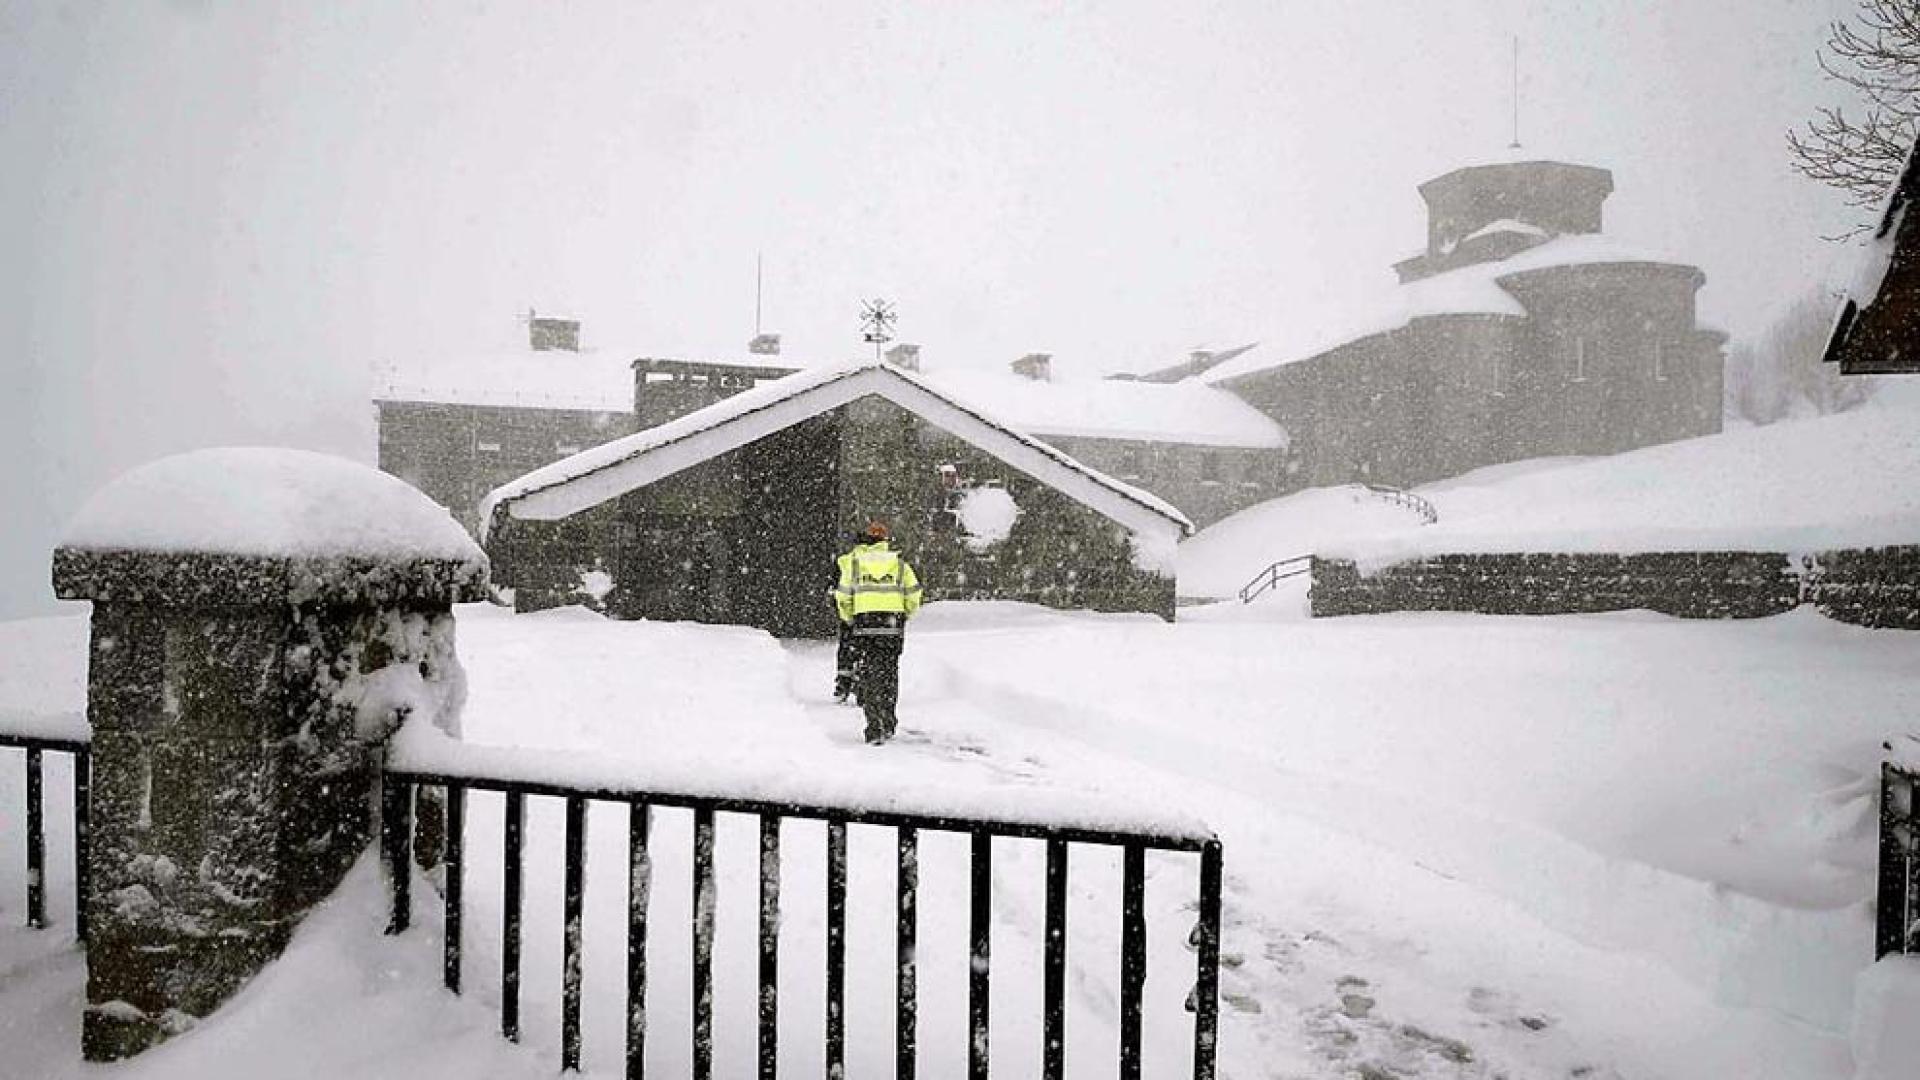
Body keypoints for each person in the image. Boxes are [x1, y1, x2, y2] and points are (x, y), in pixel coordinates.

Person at [833, 520, 923, 744]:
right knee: (889, 673)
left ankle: (874, 725)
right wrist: (903, 615)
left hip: (864, 624)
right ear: (884, 543)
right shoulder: (900, 566)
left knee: (869, 672)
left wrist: (849, 618)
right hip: (892, 626)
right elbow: (914, 596)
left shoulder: (854, 565)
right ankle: (889, 720)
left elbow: (843, 597)